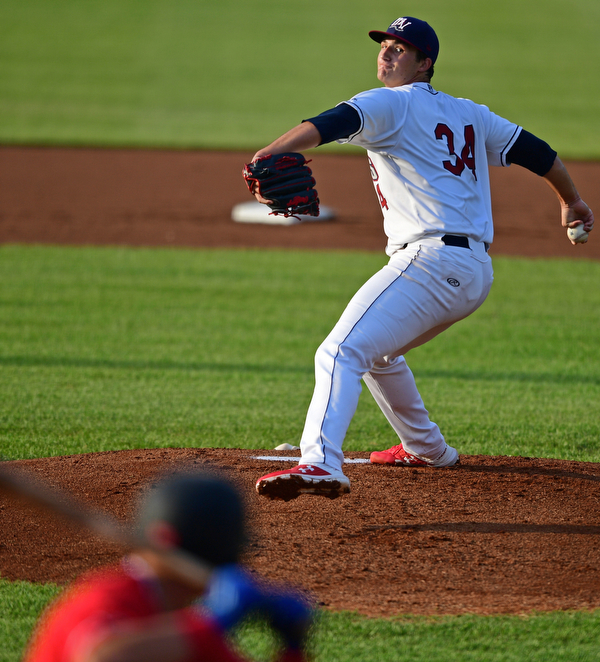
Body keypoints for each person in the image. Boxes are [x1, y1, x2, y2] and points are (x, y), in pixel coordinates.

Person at [252, 16, 594, 500]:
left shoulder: (389, 102)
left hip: (431, 263)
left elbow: (329, 124)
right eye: (385, 46)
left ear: (425, 63)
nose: (387, 54)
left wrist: (267, 154)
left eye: (400, 49)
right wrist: (571, 201)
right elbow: (538, 152)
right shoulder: (470, 113)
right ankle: (426, 447)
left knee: (339, 351)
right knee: (378, 354)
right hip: (472, 272)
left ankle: (320, 462)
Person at [23, 471, 312, 662]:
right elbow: (96, 656)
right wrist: (211, 623)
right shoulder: (104, 599)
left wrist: (292, 650)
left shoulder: (190, 628)